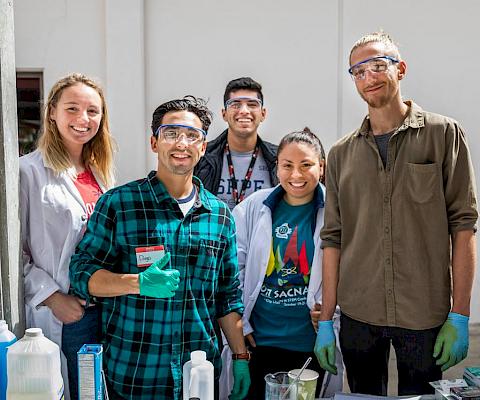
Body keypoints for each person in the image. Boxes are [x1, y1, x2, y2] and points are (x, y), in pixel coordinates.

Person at [316, 31, 478, 396]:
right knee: (362, 395)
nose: (368, 77)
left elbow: (464, 226)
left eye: (377, 66)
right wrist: (327, 320)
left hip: (424, 312)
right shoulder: (342, 153)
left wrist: (460, 313)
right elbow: (333, 238)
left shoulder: (444, 134)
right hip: (359, 313)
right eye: (357, 71)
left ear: (400, 69)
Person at [69, 96, 251, 400]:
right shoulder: (119, 204)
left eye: (192, 136)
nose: (182, 143)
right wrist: (136, 282)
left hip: (199, 377)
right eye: (171, 133)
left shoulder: (220, 216)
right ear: (154, 142)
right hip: (134, 375)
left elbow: (227, 297)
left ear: (203, 147)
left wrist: (241, 357)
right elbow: (81, 273)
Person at [220, 128, 343, 399]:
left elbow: (351, 269)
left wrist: (330, 312)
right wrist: (243, 326)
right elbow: (232, 270)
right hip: (259, 342)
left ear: (321, 167)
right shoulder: (253, 207)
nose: (296, 175)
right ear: (277, 167)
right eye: (287, 165)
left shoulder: (337, 210)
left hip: (310, 346)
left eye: (306, 165)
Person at [20, 73, 115, 400]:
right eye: (72, 109)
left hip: (102, 310)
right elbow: (12, 255)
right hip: (64, 313)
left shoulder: (101, 174)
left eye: (93, 111)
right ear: (52, 113)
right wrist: (50, 297)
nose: (83, 119)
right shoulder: (28, 172)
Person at [194, 77, 278, 210]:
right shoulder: (201, 156)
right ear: (224, 114)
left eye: (252, 104)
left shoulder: (279, 159)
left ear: (263, 114)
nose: (244, 110)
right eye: (235, 104)